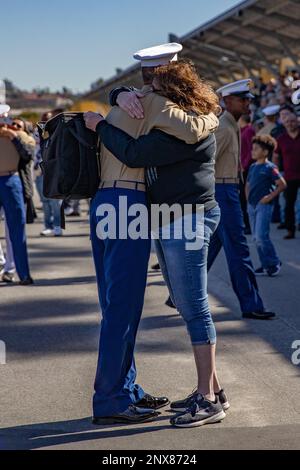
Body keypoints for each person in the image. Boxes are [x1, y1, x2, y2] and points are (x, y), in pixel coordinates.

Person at [85, 59, 229, 428]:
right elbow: (198, 124)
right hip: (128, 205)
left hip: (108, 204)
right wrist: (214, 115)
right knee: (124, 305)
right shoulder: (157, 104)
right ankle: (113, 397)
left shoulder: (127, 102)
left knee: (116, 302)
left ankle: (124, 389)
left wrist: (112, 101)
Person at [207, 80, 276, 320]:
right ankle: (251, 304)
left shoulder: (230, 124)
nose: (248, 102)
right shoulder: (224, 128)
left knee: (210, 248)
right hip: (222, 191)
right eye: (242, 99)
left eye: (248, 99)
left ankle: (177, 295)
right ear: (227, 101)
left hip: (225, 190)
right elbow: (207, 164)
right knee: (238, 249)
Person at [0, 104, 33, 285]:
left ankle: (24, 274)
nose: (4, 120)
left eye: (5, 117)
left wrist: (13, 137)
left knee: (17, 229)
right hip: (8, 181)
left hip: (11, 180)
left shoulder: (18, 134)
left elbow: (28, 154)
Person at [246, 135, 286, 277]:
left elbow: (282, 185)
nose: (253, 151)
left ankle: (274, 262)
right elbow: (248, 184)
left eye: (256, 149)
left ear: (265, 152)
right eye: (253, 148)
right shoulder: (252, 167)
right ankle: (265, 265)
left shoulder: (271, 168)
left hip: (264, 206)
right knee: (256, 239)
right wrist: (248, 200)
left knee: (261, 236)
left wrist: (269, 197)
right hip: (252, 206)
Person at [274, 112, 300, 240]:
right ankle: (290, 230)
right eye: (288, 122)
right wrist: (276, 172)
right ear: (284, 124)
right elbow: (276, 156)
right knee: (289, 204)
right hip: (289, 176)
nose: (290, 124)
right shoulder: (281, 139)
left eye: (293, 121)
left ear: (298, 122)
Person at [239, 114, 255, 233]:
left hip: (246, 168)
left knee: (245, 197)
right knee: (241, 197)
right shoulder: (242, 130)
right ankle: (245, 223)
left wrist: (244, 165)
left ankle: (248, 225)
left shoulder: (249, 130)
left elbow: (251, 150)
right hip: (242, 167)